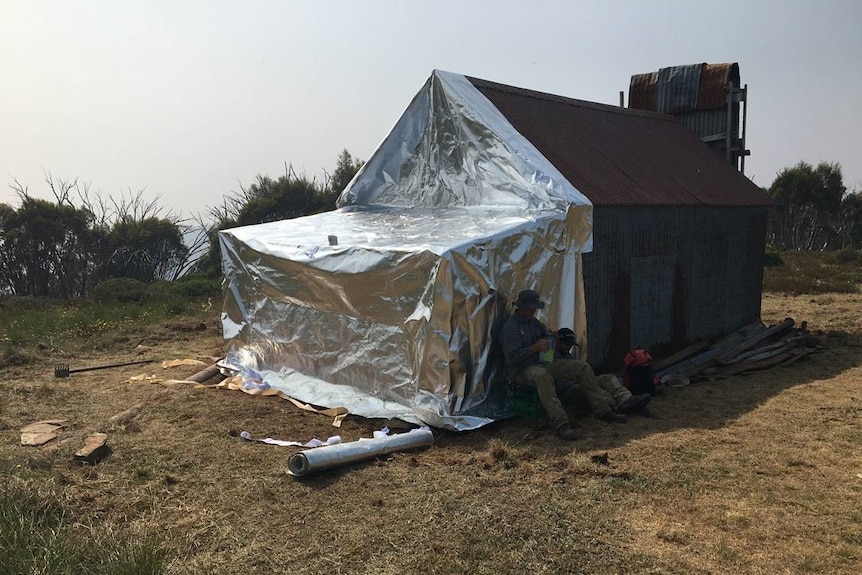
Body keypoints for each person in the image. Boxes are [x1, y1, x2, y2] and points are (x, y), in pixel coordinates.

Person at [499, 289, 630, 441]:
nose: (535, 310)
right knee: (543, 377)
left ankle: (603, 409)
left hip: (543, 362)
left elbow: (545, 334)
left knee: (582, 367)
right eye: (532, 307)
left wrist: (550, 337)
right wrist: (533, 348)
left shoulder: (533, 323)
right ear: (523, 307)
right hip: (522, 369)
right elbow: (511, 357)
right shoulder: (511, 328)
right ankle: (561, 423)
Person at [554, 327, 652, 418]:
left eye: (570, 345)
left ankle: (626, 398)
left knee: (608, 378)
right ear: (559, 342)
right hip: (568, 390)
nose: (568, 347)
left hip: (581, 382)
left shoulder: (569, 356)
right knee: (596, 391)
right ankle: (616, 406)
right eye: (566, 344)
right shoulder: (552, 357)